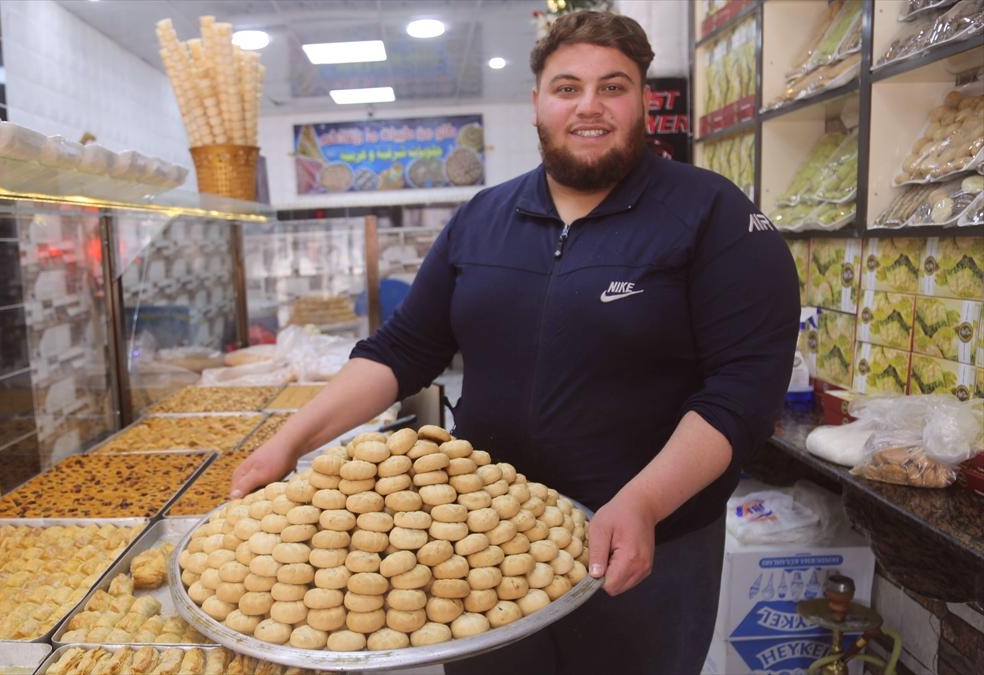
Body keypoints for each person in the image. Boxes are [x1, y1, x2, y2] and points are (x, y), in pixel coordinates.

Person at [230, 10, 799, 674]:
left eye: (613, 87)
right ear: (536, 102)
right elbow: (401, 350)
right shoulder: (482, 219)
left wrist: (644, 501)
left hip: (647, 550)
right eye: (567, 88)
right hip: (481, 553)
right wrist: (286, 442)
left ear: (644, 99)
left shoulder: (712, 214)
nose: (589, 106)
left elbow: (744, 392)